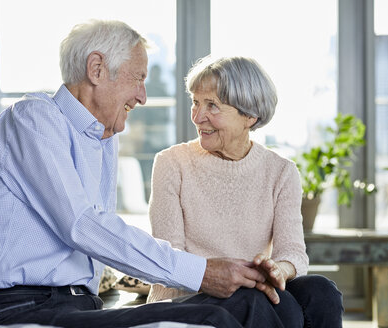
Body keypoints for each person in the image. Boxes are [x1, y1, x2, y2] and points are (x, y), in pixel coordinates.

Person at [0, 20, 298, 328]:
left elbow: (104, 233)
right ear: (97, 69)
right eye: (138, 78)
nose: (143, 96)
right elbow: (82, 225)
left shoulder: (103, 137)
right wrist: (202, 272)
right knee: (215, 318)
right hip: (18, 306)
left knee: (274, 301)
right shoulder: (33, 119)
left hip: (79, 305)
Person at [146, 55, 344, 327]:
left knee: (321, 292)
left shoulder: (281, 172)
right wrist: (233, 278)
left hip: (253, 293)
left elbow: (294, 254)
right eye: (195, 102)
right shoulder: (171, 163)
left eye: (212, 105)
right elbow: (170, 260)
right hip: (186, 297)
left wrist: (277, 270)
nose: (197, 116)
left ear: (250, 116)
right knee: (276, 305)